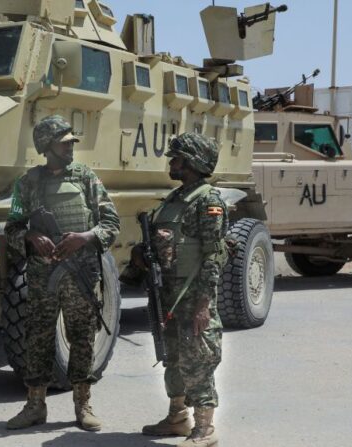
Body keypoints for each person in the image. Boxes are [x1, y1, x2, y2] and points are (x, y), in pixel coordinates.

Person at [4, 115, 120, 432]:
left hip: (81, 273)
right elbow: (11, 228)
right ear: (47, 146)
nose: (70, 146)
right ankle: (34, 405)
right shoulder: (27, 183)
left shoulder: (85, 178)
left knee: (81, 337)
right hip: (42, 277)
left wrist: (84, 237)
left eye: (71, 142)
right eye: (64, 142)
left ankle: (83, 404)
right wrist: (29, 238)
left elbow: (111, 223)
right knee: (37, 339)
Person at [132, 133, 228, 447]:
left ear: (192, 162)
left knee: (197, 359)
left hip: (192, 294)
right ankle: (177, 418)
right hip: (167, 293)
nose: (171, 163)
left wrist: (203, 304)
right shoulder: (175, 198)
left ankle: (204, 429)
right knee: (172, 356)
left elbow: (213, 254)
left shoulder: (208, 200)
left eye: (177, 158)